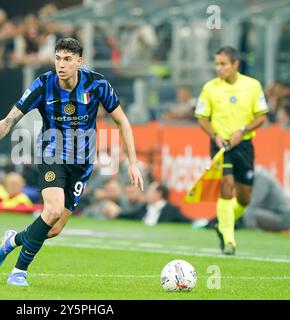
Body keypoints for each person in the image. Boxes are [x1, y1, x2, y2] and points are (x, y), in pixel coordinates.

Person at [0, 38, 144, 286]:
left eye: (67, 59)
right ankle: (19, 272)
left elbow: (123, 122)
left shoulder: (97, 84)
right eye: (57, 58)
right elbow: (10, 118)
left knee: (53, 228)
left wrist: (132, 162)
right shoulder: (43, 84)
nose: (61, 64)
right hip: (51, 154)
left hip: (82, 163)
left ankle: (11, 241)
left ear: (79, 61)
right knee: (52, 210)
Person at [194, 46, 269, 255]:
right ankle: (229, 241)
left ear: (235, 64)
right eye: (217, 64)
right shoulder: (210, 88)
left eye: (223, 64)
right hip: (221, 144)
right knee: (226, 186)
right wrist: (214, 135)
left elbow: (261, 116)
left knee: (244, 197)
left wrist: (243, 130)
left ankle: (222, 223)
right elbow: (201, 118)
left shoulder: (252, 86)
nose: (219, 68)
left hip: (244, 145)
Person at [106, 182, 189, 225]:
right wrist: (117, 214)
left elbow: (185, 220)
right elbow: (132, 215)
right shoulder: (145, 207)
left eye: (150, 191)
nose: (147, 193)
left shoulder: (171, 210)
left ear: (158, 194)